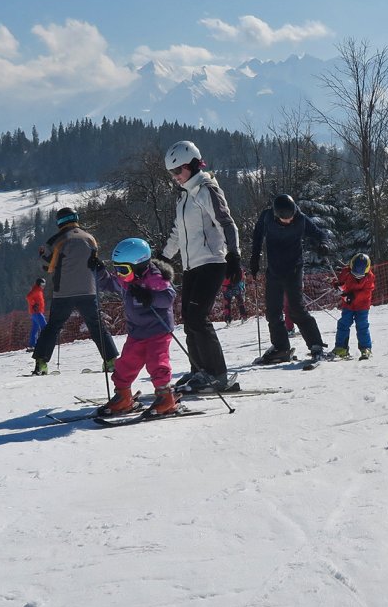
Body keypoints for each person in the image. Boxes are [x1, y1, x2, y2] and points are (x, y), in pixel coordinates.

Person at [162, 140, 243, 392]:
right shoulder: (184, 196)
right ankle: (199, 370)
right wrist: (163, 258)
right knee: (189, 319)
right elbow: (178, 232)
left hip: (212, 262)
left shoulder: (206, 190)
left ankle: (218, 374)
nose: (175, 177)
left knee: (198, 317)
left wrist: (234, 255)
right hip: (191, 266)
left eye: (178, 171)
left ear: (193, 165)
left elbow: (226, 223)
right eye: (172, 173)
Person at [89, 238, 179, 417]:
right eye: (117, 268)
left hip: (158, 331)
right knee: (125, 364)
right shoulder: (127, 280)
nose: (119, 274)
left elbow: (169, 297)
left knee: (157, 363)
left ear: (139, 266)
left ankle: (166, 398)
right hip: (137, 332)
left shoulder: (155, 278)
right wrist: (98, 270)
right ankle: (123, 397)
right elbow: (109, 283)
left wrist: (149, 296)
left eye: (123, 269)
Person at [30, 207, 119, 375]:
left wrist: (41, 255)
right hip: (88, 290)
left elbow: (49, 267)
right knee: (96, 325)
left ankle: (41, 363)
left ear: (59, 222)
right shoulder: (90, 238)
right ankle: (111, 361)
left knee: (53, 326)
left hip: (64, 292)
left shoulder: (57, 240)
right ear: (76, 218)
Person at [249, 193, 330, 364]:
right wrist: (254, 260)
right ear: (276, 215)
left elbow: (319, 234)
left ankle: (316, 345)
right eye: (284, 218)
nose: (288, 220)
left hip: (294, 269)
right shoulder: (267, 217)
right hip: (274, 270)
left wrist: (324, 244)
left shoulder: (300, 219)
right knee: (273, 312)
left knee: (296, 309)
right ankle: (281, 347)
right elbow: (257, 238)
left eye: (291, 216)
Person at [334, 252, 376, 359]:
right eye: (354, 274)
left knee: (362, 325)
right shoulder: (346, 272)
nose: (357, 277)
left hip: (362, 305)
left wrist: (353, 296)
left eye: (360, 275)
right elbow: (339, 282)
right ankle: (341, 347)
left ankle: (366, 348)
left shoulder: (369, 277)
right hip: (348, 305)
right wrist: (337, 285)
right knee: (343, 324)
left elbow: (367, 292)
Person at [25, 277, 47, 351]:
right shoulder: (36, 290)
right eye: (42, 284)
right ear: (38, 284)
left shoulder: (39, 290)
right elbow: (28, 297)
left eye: (44, 284)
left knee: (35, 329)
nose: (43, 286)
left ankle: (32, 345)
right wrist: (33, 304)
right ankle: (45, 343)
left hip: (35, 313)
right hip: (37, 312)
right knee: (44, 327)